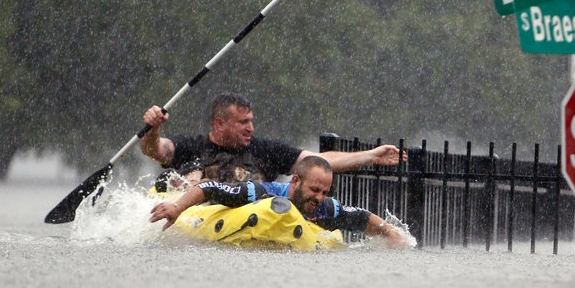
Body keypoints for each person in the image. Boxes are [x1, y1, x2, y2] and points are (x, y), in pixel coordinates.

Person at [141, 92, 405, 186]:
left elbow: (318, 161)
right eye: (243, 122)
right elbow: (155, 150)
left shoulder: (265, 150)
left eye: (252, 121)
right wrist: (153, 128)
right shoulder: (191, 147)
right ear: (219, 123)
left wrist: (371, 155)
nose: (251, 128)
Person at [149, 155, 410, 249]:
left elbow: (362, 217)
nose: (319, 197)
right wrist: (177, 208)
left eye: (325, 191)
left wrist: (391, 234)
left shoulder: (323, 207)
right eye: (314, 189)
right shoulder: (261, 192)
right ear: (295, 181)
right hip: (221, 218)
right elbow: (210, 188)